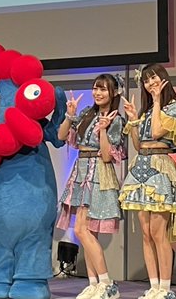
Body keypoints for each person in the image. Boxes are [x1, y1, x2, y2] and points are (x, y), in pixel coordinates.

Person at [119, 64, 176, 299]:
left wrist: (158, 100)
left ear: (164, 79)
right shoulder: (147, 110)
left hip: (160, 168)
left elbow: (156, 133)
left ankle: (165, 287)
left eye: (154, 78)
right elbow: (139, 145)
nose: (150, 83)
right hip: (140, 167)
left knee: (158, 232)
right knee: (146, 233)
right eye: (146, 80)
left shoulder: (175, 107)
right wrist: (133, 120)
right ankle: (153, 286)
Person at [57, 74, 126, 299]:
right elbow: (61, 135)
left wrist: (104, 129)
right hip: (81, 171)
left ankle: (107, 283)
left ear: (114, 93)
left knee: (81, 230)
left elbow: (107, 156)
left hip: (98, 173)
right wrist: (70, 114)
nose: (97, 93)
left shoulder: (116, 119)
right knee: (88, 233)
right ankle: (93, 283)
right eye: (95, 88)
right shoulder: (87, 113)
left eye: (103, 89)